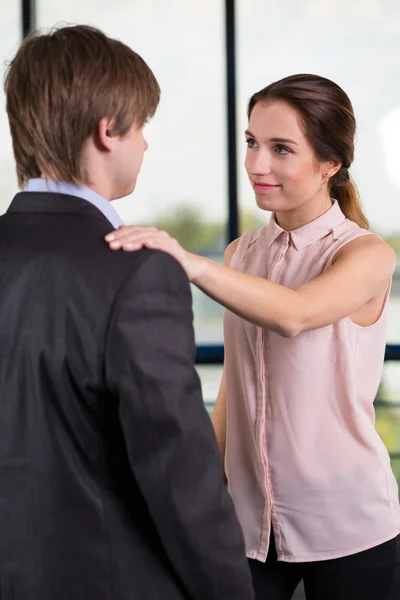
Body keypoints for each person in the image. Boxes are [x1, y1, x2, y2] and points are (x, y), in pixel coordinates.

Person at [106, 73, 400, 599]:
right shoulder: (241, 254)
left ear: (330, 163)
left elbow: (295, 313)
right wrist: (202, 489)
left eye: (281, 149)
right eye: (252, 143)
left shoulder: (366, 255)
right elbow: (234, 396)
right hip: (245, 523)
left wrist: (186, 260)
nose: (257, 165)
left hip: (350, 524)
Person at [0, 25, 255, 600]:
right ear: (107, 131)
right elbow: (181, 481)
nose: (145, 144)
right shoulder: (137, 271)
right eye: (141, 126)